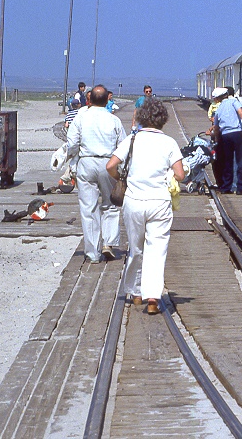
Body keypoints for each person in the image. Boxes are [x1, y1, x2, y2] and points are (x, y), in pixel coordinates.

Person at [107, 98, 185, 315]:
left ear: (142, 118)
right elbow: (180, 174)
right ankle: (153, 297)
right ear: (163, 119)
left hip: (134, 201)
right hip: (159, 202)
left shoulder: (132, 140)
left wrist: (121, 178)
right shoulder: (169, 142)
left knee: (136, 248)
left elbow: (110, 165)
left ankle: (135, 292)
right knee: (157, 250)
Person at [65, 85, 126, 263]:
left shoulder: (80, 118)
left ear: (89, 100)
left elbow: (72, 143)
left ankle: (92, 252)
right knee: (110, 204)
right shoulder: (114, 120)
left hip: (87, 162)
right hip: (108, 163)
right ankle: (108, 243)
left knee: (88, 208)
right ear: (107, 100)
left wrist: (73, 160)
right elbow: (122, 147)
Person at [210, 86, 242, 194]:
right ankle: (241, 188)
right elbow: (241, 112)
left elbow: (216, 127)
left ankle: (226, 187)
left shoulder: (219, 109)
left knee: (227, 162)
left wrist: (217, 139)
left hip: (225, 136)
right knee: (241, 161)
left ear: (218, 98)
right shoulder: (234, 102)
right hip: (237, 133)